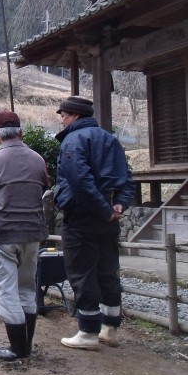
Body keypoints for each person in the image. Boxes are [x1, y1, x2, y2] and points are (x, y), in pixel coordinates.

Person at [54, 95, 135, 350]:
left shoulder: (73, 139)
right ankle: (110, 327)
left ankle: (88, 332)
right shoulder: (111, 139)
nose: (62, 119)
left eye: (64, 115)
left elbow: (79, 180)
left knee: (82, 271)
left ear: (76, 116)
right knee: (107, 269)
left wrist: (102, 209)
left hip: (82, 215)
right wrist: (118, 205)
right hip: (108, 217)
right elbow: (127, 177)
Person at [0, 110, 49, 361]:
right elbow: (45, 185)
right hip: (33, 232)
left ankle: (17, 348)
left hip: (2, 232)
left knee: (5, 291)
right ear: (21, 132)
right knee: (26, 287)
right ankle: (26, 347)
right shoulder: (38, 160)